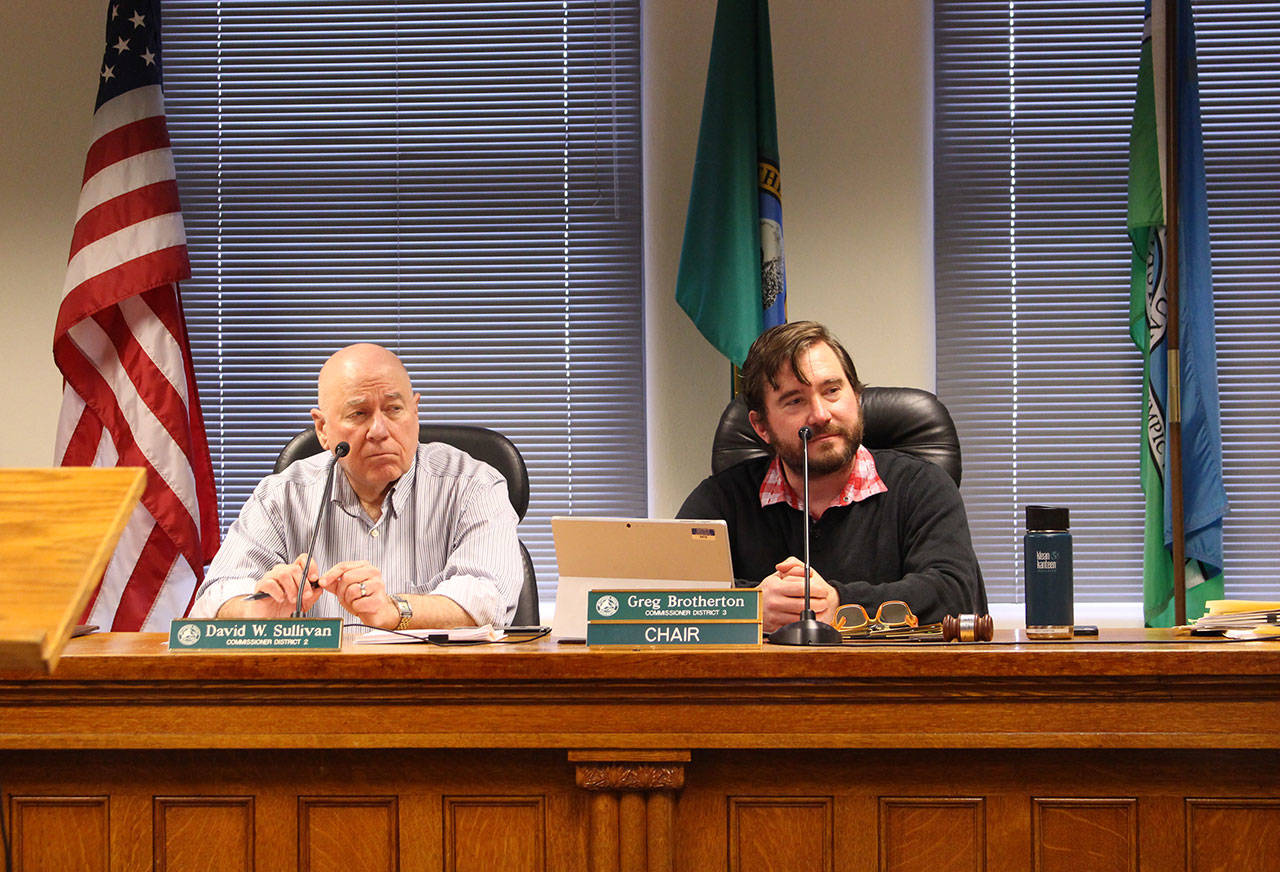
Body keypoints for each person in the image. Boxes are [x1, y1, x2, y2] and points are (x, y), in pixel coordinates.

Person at [677, 321, 986, 633]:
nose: (821, 414)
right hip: (765, 681)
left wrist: (840, 604)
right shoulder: (721, 499)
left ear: (856, 395)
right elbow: (663, 590)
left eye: (832, 390)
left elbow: (954, 594)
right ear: (761, 427)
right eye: (795, 400)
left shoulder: (922, 487)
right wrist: (748, 603)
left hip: (888, 679)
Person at [189, 343, 523, 628]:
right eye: (359, 414)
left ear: (416, 411)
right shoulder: (281, 496)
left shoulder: (473, 486)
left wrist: (394, 611)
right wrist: (255, 608)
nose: (379, 429)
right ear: (322, 430)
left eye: (394, 409)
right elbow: (213, 598)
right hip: (317, 692)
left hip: (438, 692)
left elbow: (489, 598)